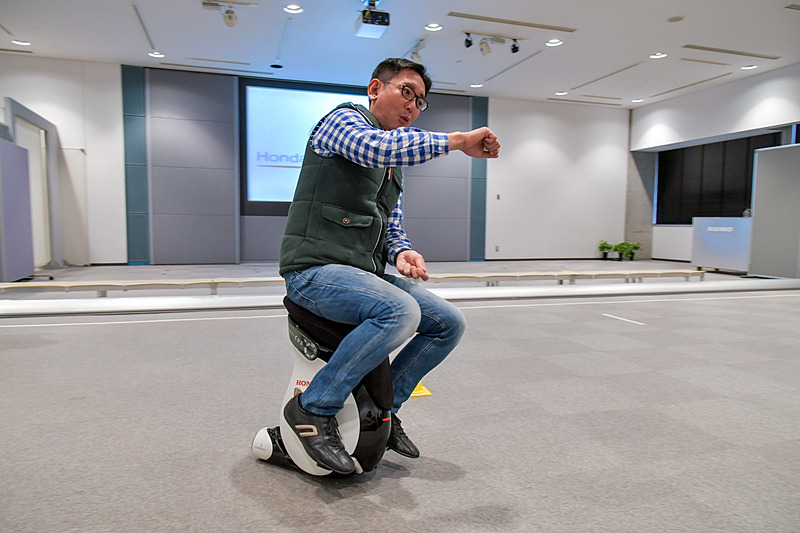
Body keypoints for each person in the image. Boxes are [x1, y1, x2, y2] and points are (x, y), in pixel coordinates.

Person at [279, 57, 500, 474]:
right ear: (375, 89)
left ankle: (384, 410)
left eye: (420, 101)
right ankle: (312, 408)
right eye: (407, 92)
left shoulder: (393, 165)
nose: (413, 106)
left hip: (361, 273)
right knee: (401, 310)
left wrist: (402, 253)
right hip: (313, 272)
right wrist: (457, 141)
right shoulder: (342, 122)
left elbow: (391, 224)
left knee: (449, 323)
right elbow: (377, 147)